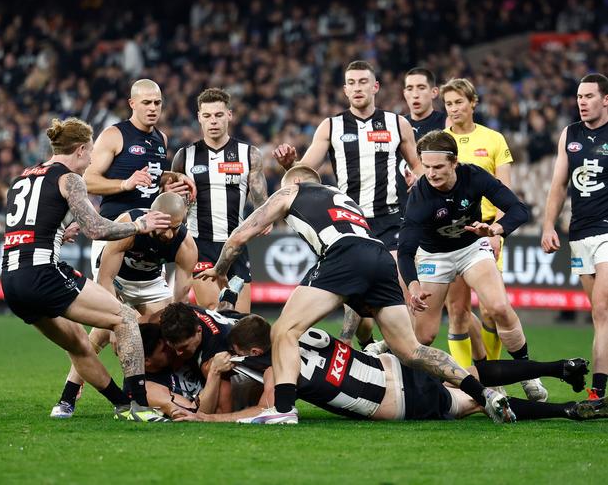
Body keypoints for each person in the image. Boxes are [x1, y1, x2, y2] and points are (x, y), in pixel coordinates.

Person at [197, 164, 513, 424]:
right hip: (377, 255)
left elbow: (240, 236)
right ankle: (484, 393)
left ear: (293, 182)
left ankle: (282, 410)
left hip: (343, 254)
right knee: (412, 350)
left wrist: (221, 270)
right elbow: (356, 276)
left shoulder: (291, 190)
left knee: (283, 330)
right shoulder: (342, 197)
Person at [1, 117, 171, 422]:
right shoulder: (69, 178)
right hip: (43, 273)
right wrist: (138, 225)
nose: (91, 160)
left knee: (78, 343)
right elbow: (95, 229)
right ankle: (140, 406)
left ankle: (121, 405)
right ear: (80, 149)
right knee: (126, 318)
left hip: (12, 281)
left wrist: (59, 232)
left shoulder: (23, 177)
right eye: (90, 152)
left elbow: (25, 227)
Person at [172, 317, 605, 423]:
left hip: (399, 399)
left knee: (479, 403)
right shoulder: (301, 331)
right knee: (469, 370)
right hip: (391, 363)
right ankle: (555, 365)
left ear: (252, 349)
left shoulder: (274, 369)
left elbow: (270, 413)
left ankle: (564, 411)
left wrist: (208, 416)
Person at [273, 60, 423, 350]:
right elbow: (304, 172)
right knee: (361, 320)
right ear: (345, 90)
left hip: (391, 220)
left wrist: (416, 179)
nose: (357, 88)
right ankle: (368, 345)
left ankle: (406, 361)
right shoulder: (331, 126)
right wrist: (289, 164)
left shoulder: (397, 124)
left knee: (400, 293)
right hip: (350, 223)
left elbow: (417, 165)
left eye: (363, 82)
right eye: (352, 83)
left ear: (375, 86)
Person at [397, 130, 547, 402]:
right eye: (427, 166)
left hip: (471, 248)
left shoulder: (474, 176)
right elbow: (406, 252)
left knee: (499, 307)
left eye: (438, 167)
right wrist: (413, 286)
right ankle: (412, 387)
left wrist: (496, 229)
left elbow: (519, 210)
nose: (431, 173)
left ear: (454, 162)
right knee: (424, 336)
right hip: (434, 257)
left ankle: (526, 373)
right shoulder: (419, 196)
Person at [440, 78, 546, 402]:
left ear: (473, 103)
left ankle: (503, 373)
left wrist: (500, 232)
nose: (454, 109)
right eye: (448, 104)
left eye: (459, 102)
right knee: (457, 310)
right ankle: (467, 384)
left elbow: (506, 194)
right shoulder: (440, 143)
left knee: (491, 311)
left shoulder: (493, 139)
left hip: (488, 230)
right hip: (450, 236)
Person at [49, 192, 197, 418]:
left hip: (151, 281)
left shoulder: (186, 245)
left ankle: (155, 394)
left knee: (165, 334)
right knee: (101, 333)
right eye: (165, 226)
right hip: (117, 279)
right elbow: (105, 280)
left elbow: (180, 301)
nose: (169, 234)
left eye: (175, 227)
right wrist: (114, 327)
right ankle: (68, 396)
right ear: (151, 215)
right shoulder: (128, 226)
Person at [84, 78, 195, 282]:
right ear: (132, 103)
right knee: (111, 308)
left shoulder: (161, 138)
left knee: (151, 312)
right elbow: (87, 180)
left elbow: (152, 176)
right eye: (146, 102)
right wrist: (124, 184)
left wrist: (173, 177)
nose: (153, 108)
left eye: (157, 103)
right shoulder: (114, 135)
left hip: (149, 235)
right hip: (116, 231)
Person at [171, 88, 269, 313]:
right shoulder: (184, 156)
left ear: (229, 115)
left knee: (240, 320)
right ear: (199, 118)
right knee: (216, 311)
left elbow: (261, 200)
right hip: (200, 245)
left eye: (218, 115)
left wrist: (267, 217)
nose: (213, 121)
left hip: (236, 244)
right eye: (207, 116)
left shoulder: (248, 154)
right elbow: (174, 201)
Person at [542, 73, 608, 399]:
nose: (582, 102)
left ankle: (597, 392)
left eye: (589, 96)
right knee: (601, 318)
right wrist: (548, 225)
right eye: (579, 96)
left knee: (601, 309)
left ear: (605, 99)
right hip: (580, 233)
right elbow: (558, 185)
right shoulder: (570, 134)